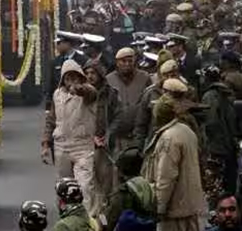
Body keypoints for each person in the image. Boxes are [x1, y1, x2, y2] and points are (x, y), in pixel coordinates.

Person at [141, 79, 204, 231]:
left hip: (174, 212)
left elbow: (166, 177)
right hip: (191, 208)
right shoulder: (186, 130)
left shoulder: (168, 138)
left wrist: (159, 208)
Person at [43, 59, 97, 213]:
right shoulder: (57, 95)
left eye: (75, 78)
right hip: (61, 147)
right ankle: (66, 219)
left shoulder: (88, 93)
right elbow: (50, 120)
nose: (71, 82)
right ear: (62, 80)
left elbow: (90, 93)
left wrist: (79, 89)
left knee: (84, 187)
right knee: (63, 187)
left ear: (81, 77)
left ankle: (85, 222)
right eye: (67, 78)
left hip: (83, 147)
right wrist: (45, 144)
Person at [83, 59, 121, 216]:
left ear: (100, 74)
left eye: (93, 73)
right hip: (84, 143)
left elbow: (118, 116)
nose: (90, 76)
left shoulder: (110, 93)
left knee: (105, 184)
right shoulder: (82, 92)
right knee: (87, 183)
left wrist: (108, 134)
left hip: (103, 145)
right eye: (87, 73)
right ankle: (88, 216)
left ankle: (103, 218)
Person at [202, 65, 240, 209]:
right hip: (230, 146)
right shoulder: (228, 94)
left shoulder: (209, 96)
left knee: (215, 189)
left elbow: (211, 123)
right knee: (230, 185)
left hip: (216, 150)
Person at [99, 147, 156, 231]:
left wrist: (101, 215)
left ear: (121, 171)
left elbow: (108, 223)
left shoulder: (122, 193)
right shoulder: (148, 187)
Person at [106, 47, 152, 150]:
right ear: (117, 62)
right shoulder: (109, 79)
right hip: (116, 134)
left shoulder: (144, 78)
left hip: (138, 134)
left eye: (130, 61)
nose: (127, 64)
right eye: (123, 61)